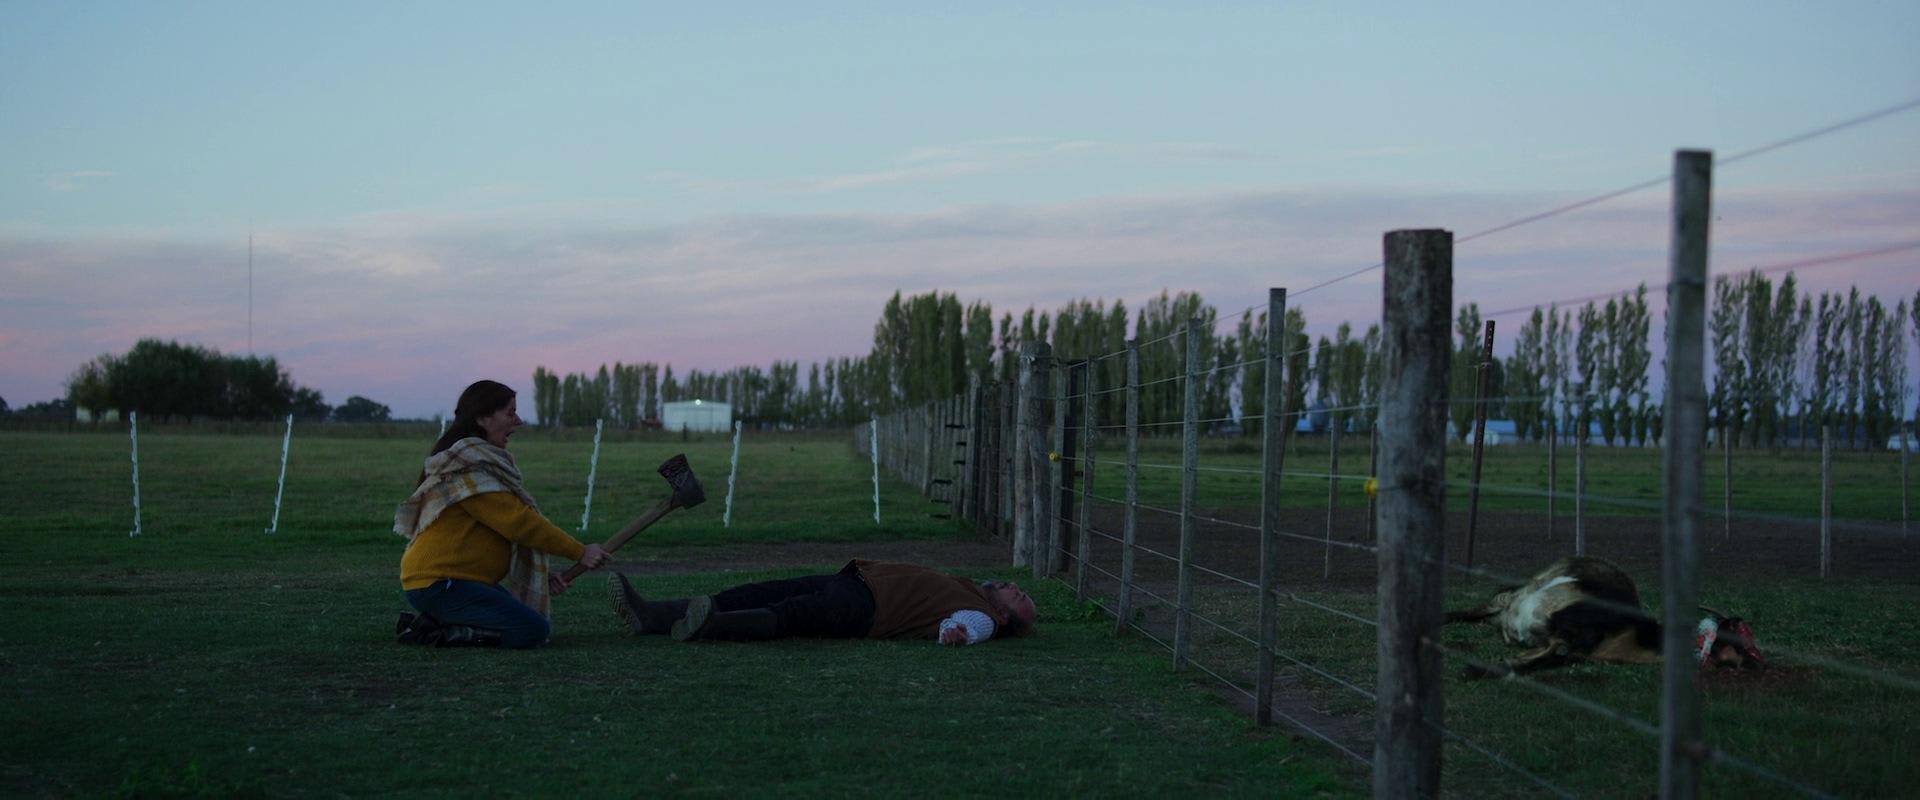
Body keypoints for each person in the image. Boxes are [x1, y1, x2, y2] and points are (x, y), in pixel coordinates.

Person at [392, 380, 612, 648]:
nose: (517, 421)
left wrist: (542, 575)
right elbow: (519, 523)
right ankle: (438, 632)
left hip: (459, 581)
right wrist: (580, 552)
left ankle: (433, 623)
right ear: (483, 418)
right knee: (531, 630)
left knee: (524, 618)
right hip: (440, 583)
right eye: (509, 412)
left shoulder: (479, 465)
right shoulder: (468, 472)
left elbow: (504, 530)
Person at [606, 559, 1037, 646]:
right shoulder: (968, 586)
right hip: (854, 581)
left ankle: (710, 626)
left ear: (1002, 616)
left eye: (1021, 599)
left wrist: (958, 634)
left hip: (866, 609)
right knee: (761, 591)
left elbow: (967, 626)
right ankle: (652, 615)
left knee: (792, 614)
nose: (1018, 588)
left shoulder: (982, 617)